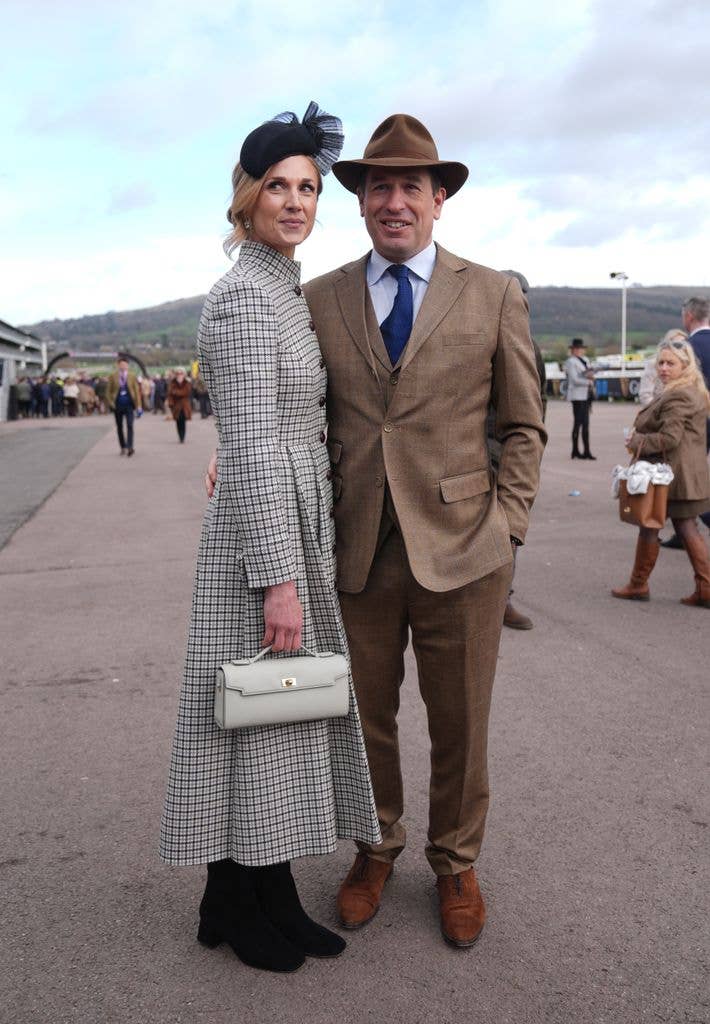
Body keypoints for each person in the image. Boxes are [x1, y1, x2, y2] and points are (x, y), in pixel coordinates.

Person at [301, 115, 546, 947]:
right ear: (362, 201)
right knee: (363, 719)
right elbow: (300, 414)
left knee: (460, 723)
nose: (395, 201)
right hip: (358, 548)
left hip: (467, 548)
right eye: (380, 187)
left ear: (440, 200)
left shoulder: (493, 292)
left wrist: (509, 528)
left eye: (412, 186)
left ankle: (456, 862)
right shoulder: (319, 298)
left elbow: (524, 424)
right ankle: (376, 848)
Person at [160, 103, 380, 974]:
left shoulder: (280, 285)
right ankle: (244, 898)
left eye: (309, 189)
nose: (295, 202)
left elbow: (262, 427)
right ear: (247, 196)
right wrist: (279, 580)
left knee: (272, 715)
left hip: (286, 519)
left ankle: (250, 893)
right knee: (259, 712)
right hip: (264, 542)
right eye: (279, 187)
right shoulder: (248, 298)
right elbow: (251, 444)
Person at [612, 337, 710, 607]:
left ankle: (639, 584)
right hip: (681, 474)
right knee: (682, 526)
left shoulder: (679, 395)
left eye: (671, 363)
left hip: (672, 475)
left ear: (685, 366)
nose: (664, 368)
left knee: (654, 526)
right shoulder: (687, 390)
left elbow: (669, 438)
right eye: (661, 363)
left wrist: (637, 442)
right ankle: (703, 588)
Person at [564, 338, 596, 459]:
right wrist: (589, 381)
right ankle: (575, 450)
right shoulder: (571, 362)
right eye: (576, 349)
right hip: (577, 396)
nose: (579, 351)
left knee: (586, 424)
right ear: (572, 350)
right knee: (578, 423)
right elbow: (574, 379)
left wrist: (591, 376)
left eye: (580, 348)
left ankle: (587, 450)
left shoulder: (585, 360)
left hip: (586, 395)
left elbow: (588, 373)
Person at [639, 329, 686, 408]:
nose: (679, 347)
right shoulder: (653, 364)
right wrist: (663, 410)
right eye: (676, 344)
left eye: (682, 343)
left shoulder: (687, 366)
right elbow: (645, 395)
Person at [106, 356, 142, 455]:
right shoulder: (113, 376)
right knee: (119, 426)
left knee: (130, 425)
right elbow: (108, 392)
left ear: (128, 366)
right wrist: (111, 403)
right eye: (121, 364)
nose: (123, 366)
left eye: (125, 365)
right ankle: (123, 446)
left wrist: (139, 406)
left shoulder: (132, 376)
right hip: (117, 405)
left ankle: (130, 446)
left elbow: (136, 391)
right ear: (118, 365)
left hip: (129, 404)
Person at [167, 366, 192, 443]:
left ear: (184, 374)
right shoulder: (173, 382)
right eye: (178, 373)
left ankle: (182, 437)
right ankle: (180, 436)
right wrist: (170, 403)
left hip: (184, 406)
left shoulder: (187, 382)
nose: (179, 375)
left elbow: (186, 392)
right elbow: (170, 393)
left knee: (183, 421)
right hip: (176, 406)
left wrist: (176, 392)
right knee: (178, 421)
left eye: (181, 373)